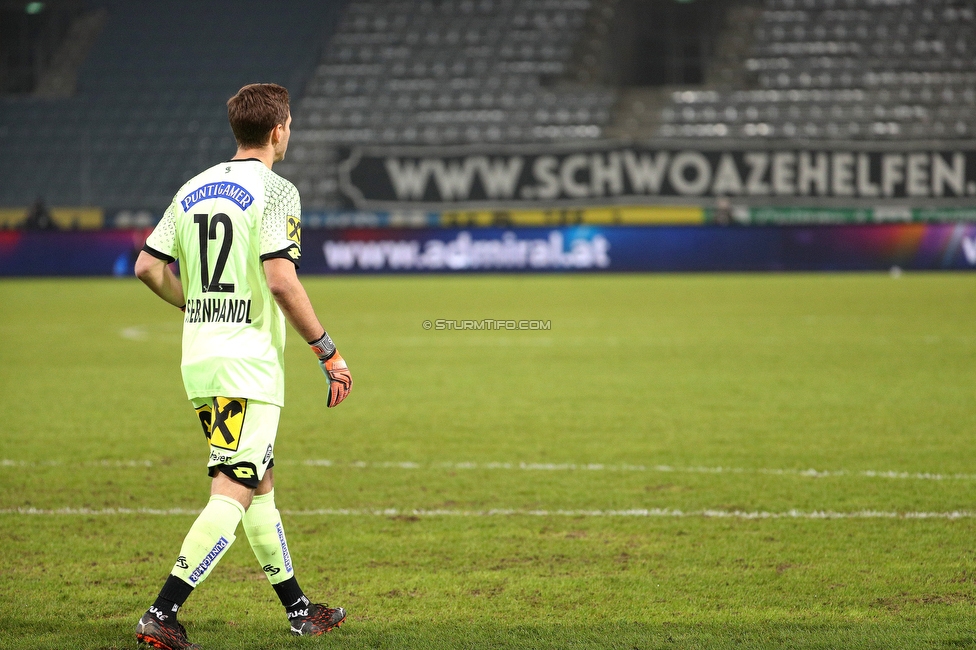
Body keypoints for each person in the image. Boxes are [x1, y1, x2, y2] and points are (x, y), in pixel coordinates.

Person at [132, 82, 352, 650]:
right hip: (246, 366)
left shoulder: (193, 187)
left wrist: (196, 305)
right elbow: (281, 279)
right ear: (279, 129)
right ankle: (162, 611)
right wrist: (327, 351)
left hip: (203, 360)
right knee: (234, 486)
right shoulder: (277, 192)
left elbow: (147, 268)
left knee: (259, 482)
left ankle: (299, 608)